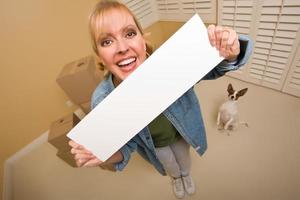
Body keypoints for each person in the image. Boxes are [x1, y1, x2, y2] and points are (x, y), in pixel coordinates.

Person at [69, 0, 252, 198]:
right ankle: (176, 178)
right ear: (99, 55)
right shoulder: (103, 100)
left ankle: (185, 175)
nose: (122, 47)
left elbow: (215, 68)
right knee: (169, 164)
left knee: (184, 159)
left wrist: (228, 53)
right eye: (107, 41)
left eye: (129, 33)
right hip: (155, 146)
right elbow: (126, 147)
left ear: (141, 38)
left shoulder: (169, 63)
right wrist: (105, 154)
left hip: (182, 132)